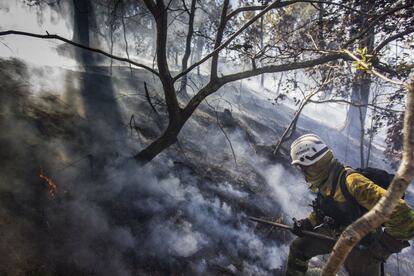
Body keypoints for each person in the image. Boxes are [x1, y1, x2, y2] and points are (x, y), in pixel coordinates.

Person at [285, 134, 414, 276]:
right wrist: (308, 222)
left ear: (313, 163)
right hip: (336, 233)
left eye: (302, 167)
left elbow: (404, 215)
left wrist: (383, 247)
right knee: (299, 248)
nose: (302, 172)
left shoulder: (353, 183)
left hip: (362, 242)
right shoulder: (325, 179)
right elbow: (325, 207)